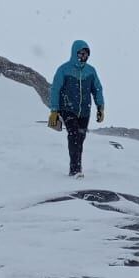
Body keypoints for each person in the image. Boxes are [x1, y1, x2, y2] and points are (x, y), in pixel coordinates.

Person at [47, 39, 105, 178]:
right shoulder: (64, 69)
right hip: (68, 109)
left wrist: (100, 107)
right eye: (81, 53)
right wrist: (54, 110)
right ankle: (75, 169)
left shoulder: (91, 71)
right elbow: (55, 89)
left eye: (86, 54)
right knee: (73, 136)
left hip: (85, 111)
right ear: (74, 53)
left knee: (80, 138)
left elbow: (97, 89)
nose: (83, 56)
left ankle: (77, 165)